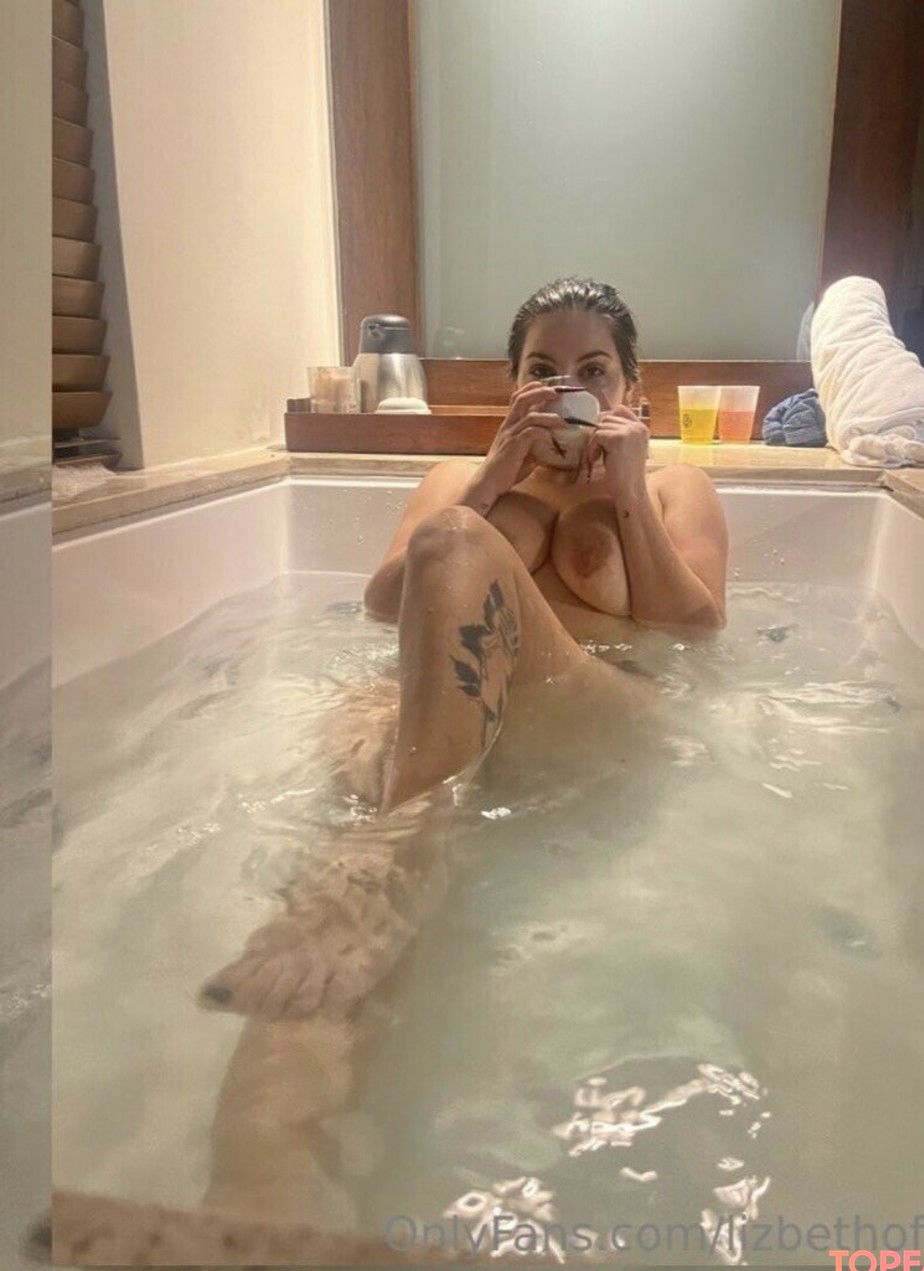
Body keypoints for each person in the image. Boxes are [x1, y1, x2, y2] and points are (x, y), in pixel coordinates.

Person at [198, 277, 729, 1020]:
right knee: (336, 871)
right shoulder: (457, 478)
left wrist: (628, 492)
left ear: (630, 392)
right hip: (437, 705)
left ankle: (397, 857)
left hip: (584, 702)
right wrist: (490, 480)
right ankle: (310, 1029)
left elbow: (696, 628)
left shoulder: (674, 486)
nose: (565, 388)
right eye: (542, 370)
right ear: (514, 388)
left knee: (454, 543)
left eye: (592, 371)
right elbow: (384, 606)